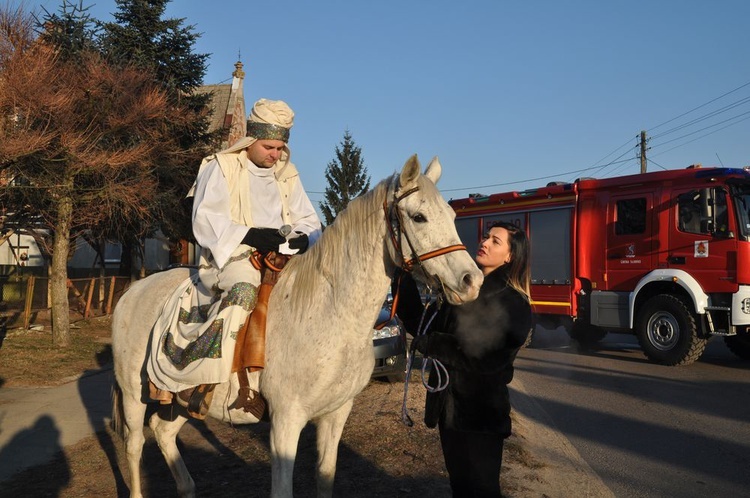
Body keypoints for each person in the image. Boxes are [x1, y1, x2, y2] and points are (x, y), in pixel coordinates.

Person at [147, 98, 322, 418]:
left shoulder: (287, 172)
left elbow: (310, 221)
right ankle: (196, 378)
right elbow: (204, 219)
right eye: (269, 146)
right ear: (252, 139)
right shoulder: (220, 166)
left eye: (281, 147)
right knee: (244, 289)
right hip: (229, 257)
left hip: (280, 257)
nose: (275, 154)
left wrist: (302, 239)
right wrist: (249, 235)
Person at [394, 221, 532, 497]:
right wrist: (403, 277)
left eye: (496, 241)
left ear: (510, 256)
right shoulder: (460, 290)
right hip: (449, 411)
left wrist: (435, 344)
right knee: (460, 486)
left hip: (480, 417)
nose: (484, 242)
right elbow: (423, 326)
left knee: (482, 490)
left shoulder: (514, 302)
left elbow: (489, 358)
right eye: (485, 236)